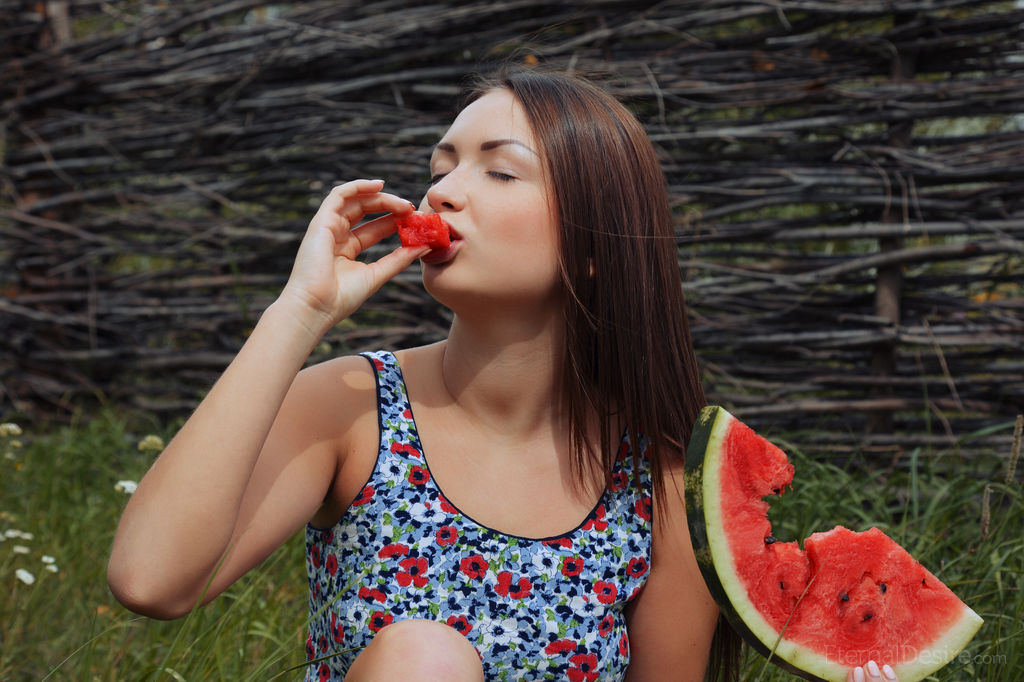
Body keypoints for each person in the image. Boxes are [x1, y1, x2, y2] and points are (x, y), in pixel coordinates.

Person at [107, 66, 898, 682]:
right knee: (423, 657)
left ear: (592, 245)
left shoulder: (658, 479)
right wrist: (298, 313)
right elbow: (150, 581)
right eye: (441, 166)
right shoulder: (352, 407)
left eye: (500, 172)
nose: (442, 190)